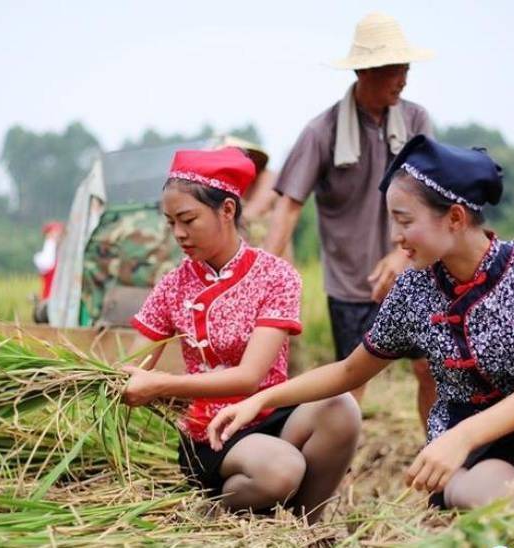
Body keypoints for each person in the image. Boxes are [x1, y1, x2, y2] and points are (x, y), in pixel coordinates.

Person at [209, 136, 514, 510]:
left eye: (404, 221)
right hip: (470, 460)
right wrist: (262, 400)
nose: (394, 236)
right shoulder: (413, 290)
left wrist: (465, 435)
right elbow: (350, 370)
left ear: (456, 218)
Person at [120, 148, 360, 520]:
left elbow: (250, 377)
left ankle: (306, 529)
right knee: (281, 469)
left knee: (342, 407)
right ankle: (211, 512)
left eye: (188, 219)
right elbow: (132, 366)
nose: (179, 234)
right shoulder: (172, 286)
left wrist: (162, 385)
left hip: (271, 413)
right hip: (210, 433)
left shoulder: (276, 276)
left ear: (227, 210)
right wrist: (126, 380)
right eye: (170, 223)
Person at [264, 12, 436, 418]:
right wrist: (264, 278)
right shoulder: (321, 132)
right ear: (365, 71)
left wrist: (404, 256)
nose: (404, 79)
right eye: (395, 69)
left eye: (406, 68)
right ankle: (340, 468)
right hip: (350, 283)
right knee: (349, 383)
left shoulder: (416, 121)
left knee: (430, 369)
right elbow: (288, 206)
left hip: (412, 273)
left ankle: (438, 457)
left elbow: (433, 198)